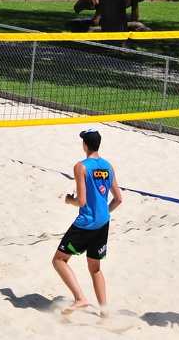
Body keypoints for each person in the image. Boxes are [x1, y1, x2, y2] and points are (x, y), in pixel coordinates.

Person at [52, 128, 123, 317]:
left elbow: (81, 201)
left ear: (85, 145)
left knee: (59, 260)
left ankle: (80, 298)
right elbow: (118, 199)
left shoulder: (81, 166)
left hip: (86, 222)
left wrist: (69, 200)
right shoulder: (108, 166)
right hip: (103, 221)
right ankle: (104, 311)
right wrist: (103, 212)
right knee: (95, 268)